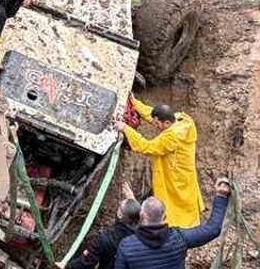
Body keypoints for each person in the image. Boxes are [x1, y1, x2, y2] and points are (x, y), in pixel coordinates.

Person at [114, 98, 203, 227]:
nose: (155, 125)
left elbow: (146, 147)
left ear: (166, 123)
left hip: (175, 179)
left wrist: (126, 129)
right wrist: (136, 104)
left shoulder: (171, 137)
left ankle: (173, 227)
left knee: (175, 207)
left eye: (157, 124)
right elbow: (153, 115)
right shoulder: (181, 119)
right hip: (182, 175)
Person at [113, 184, 231, 269]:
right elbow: (212, 229)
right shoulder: (179, 239)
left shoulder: (126, 246)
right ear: (165, 217)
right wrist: (221, 196)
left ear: (141, 215)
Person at [65, 183, 141, 269]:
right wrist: (132, 200)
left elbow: (85, 263)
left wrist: (66, 266)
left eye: (119, 207)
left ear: (119, 215)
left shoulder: (105, 239)